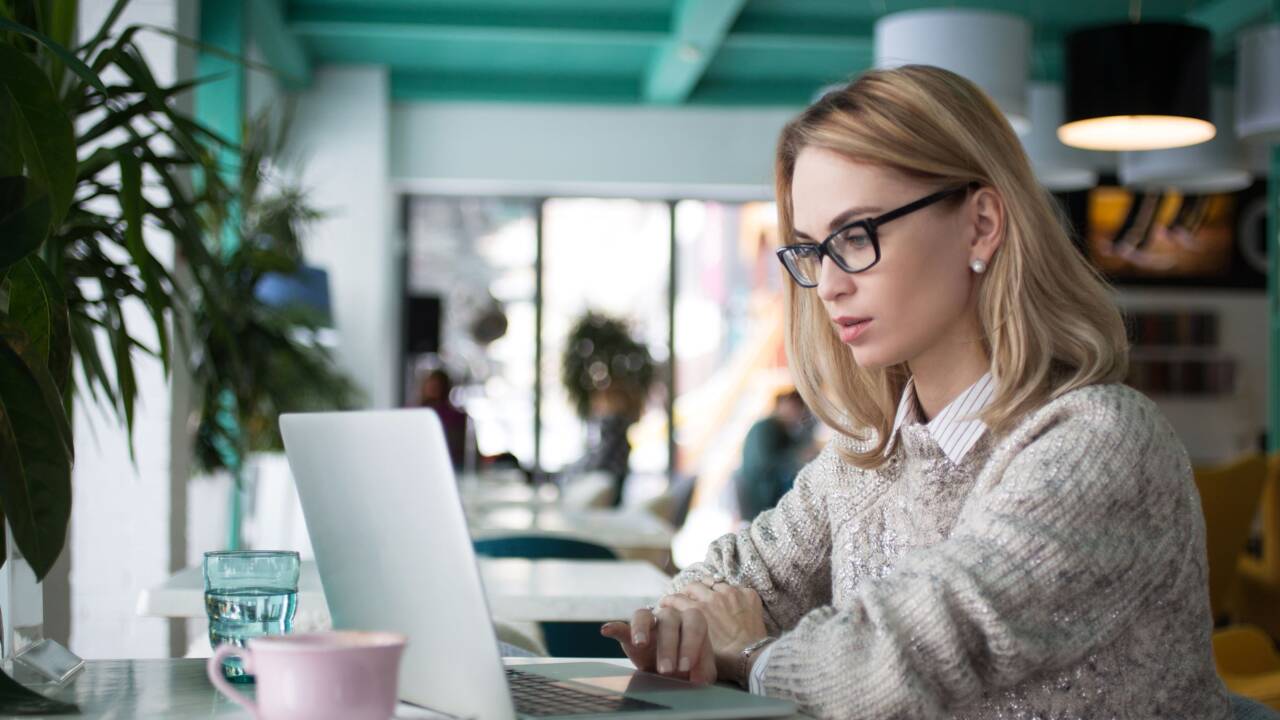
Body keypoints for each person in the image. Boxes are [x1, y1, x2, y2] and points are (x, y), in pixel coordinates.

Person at [600, 65, 1233, 719]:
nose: (830, 285)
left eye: (854, 235)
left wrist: (752, 655)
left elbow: (897, 664)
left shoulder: (1100, 443)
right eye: (812, 251)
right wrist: (688, 625)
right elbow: (730, 578)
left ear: (982, 223)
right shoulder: (869, 457)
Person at [735, 390, 816, 522]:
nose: (795, 413)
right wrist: (797, 457)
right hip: (760, 493)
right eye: (793, 407)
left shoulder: (782, 429)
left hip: (767, 491)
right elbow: (764, 464)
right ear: (781, 404)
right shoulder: (766, 427)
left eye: (798, 409)